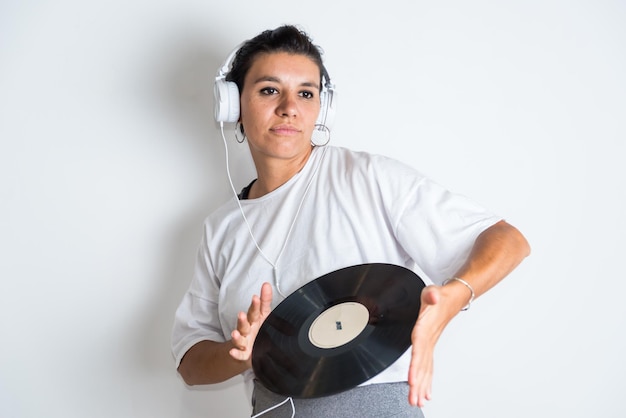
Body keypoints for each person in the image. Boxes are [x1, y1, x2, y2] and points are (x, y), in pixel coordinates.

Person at [171, 24, 530, 417]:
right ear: (233, 104)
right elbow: (191, 362)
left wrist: (453, 296)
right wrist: (239, 353)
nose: (289, 106)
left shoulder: (367, 178)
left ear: (322, 108)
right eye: (269, 89)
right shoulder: (222, 228)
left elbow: (506, 239)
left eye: (306, 93)